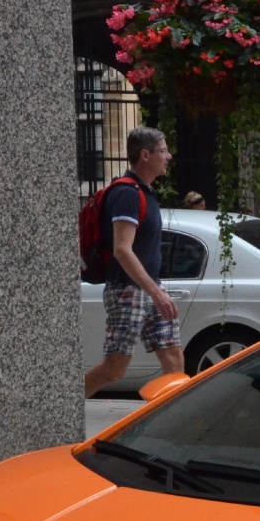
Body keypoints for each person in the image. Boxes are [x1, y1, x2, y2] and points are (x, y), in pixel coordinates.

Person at [82, 126, 183, 399]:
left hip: (150, 289)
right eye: (163, 150)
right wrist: (155, 291)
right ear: (145, 155)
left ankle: (171, 427)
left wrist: (156, 291)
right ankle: (59, 411)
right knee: (114, 368)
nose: (169, 156)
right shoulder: (127, 194)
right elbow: (122, 250)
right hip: (128, 291)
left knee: (173, 358)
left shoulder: (146, 192)